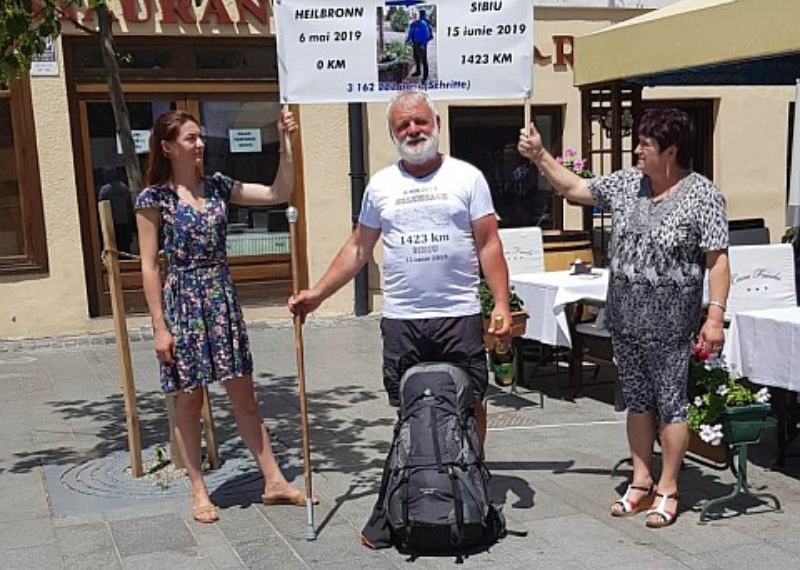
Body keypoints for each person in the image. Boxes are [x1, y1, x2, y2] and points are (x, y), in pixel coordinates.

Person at [518, 107, 730, 528]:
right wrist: (541, 157)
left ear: (670, 151)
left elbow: (718, 260)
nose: (636, 150)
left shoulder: (704, 195)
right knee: (636, 400)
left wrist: (715, 317)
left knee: (671, 403)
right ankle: (640, 479)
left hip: (671, 323)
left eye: (645, 145)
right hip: (626, 318)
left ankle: (668, 487)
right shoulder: (627, 184)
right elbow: (576, 189)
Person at [288, 89, 511, 442]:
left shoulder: (467, 178)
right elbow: (359, 247)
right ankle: (420, 479)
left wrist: (500, 303)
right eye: (402, 125)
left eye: (420, 121)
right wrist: (317, 294)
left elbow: (489, 244)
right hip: (402, 318)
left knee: (470, 402)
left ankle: (472, 480)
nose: (413, 130)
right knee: (408, 402)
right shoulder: (380, 185)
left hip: (457, 314)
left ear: (436, 124)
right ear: (393, 134)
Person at [135, 109, 314, 524]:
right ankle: (198, 489)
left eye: (200, 137)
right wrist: (160, 328)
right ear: (167, 147)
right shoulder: (154, 199)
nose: (199, 144)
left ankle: (274, 482)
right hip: (183, 302)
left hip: (220, 298)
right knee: (190, 399)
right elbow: (148, 266)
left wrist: (286, 144)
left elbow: (278, 192)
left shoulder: (217, 187)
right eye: (190, 138)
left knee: (245, 397)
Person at [405, 9, 433, 83]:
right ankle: (418, 72)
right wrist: (407, 40)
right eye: (413, 15)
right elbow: (410, 33)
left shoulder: (422, 24)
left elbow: (426, 35)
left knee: (424, 61)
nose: (414, 16)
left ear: (418, 16)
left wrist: (423, 45)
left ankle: (425, 76)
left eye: (415, 15)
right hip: (415, 44)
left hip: (421, 45)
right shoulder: (412, 24)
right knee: (416, 58)